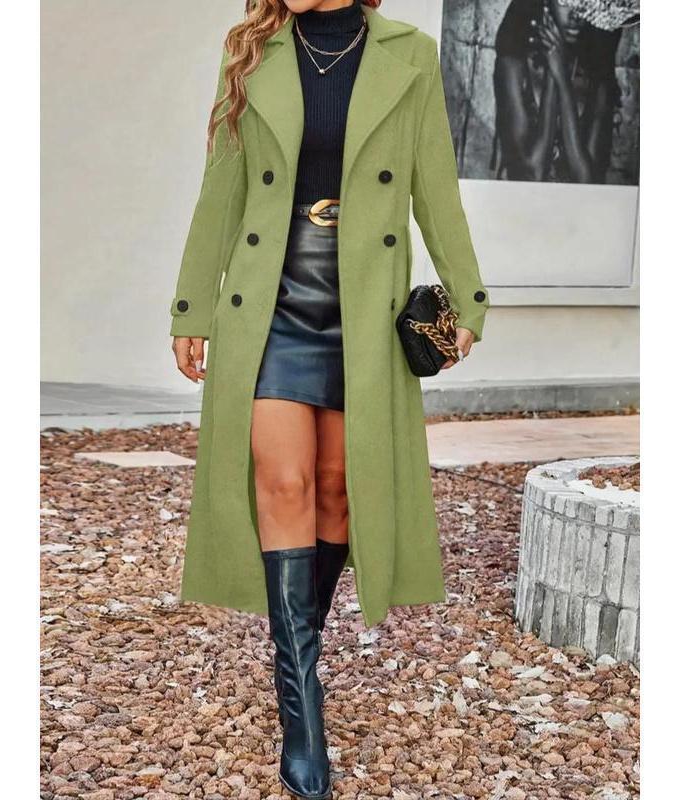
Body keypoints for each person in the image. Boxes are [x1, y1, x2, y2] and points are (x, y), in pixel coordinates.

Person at [168, 1, 489, 796]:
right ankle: (301, 711)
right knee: (285, 483)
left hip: (363, 307)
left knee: (341, 492)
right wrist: (192, 306)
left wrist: (467, 294)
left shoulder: (408, 54)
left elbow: (434, 183)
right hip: (271, 304)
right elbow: (221, 186)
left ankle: (296, 648)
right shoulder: (254, 49)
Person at [492, 0, 631, 183]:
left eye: (585, 4)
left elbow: (588, 182)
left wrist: (561, 75)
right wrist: (553, 70)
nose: (575, 15)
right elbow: (532, 174)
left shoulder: (598, 80)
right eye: (566, 2)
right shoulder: (512, 67)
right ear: (546, 3)